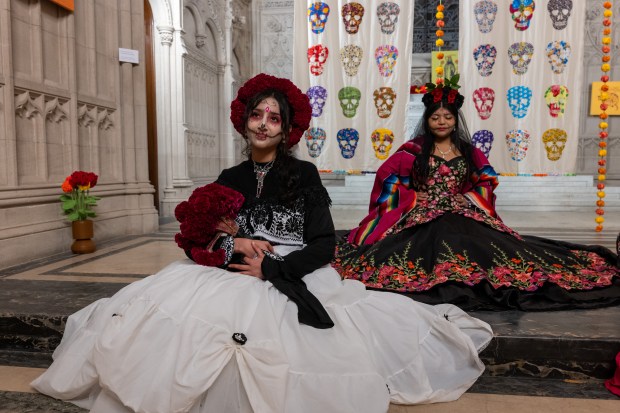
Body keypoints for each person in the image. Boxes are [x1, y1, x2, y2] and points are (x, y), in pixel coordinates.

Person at [31, 73, 493, 413]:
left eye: (274, 118)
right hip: (229, 274)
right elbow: (200, 240)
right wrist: (235, 248)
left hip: (289, 272)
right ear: (244, 121)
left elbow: (322, 246)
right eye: (257, 114)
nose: (264, 124)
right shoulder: (228, 178)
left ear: (286, 128)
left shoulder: (303, 174)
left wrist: (273, 270)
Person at [333, 75, 620, 311]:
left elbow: (487, 180)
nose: (442, 122)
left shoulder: (469, 151)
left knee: (486, 247)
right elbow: (388, 178)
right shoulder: (413, 150)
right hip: (421, 214)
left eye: (447, 116)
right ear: (428, 121)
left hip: (462, 211)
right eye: (435, 117)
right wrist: (410, 198)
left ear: (456, 120)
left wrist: (469, 198)